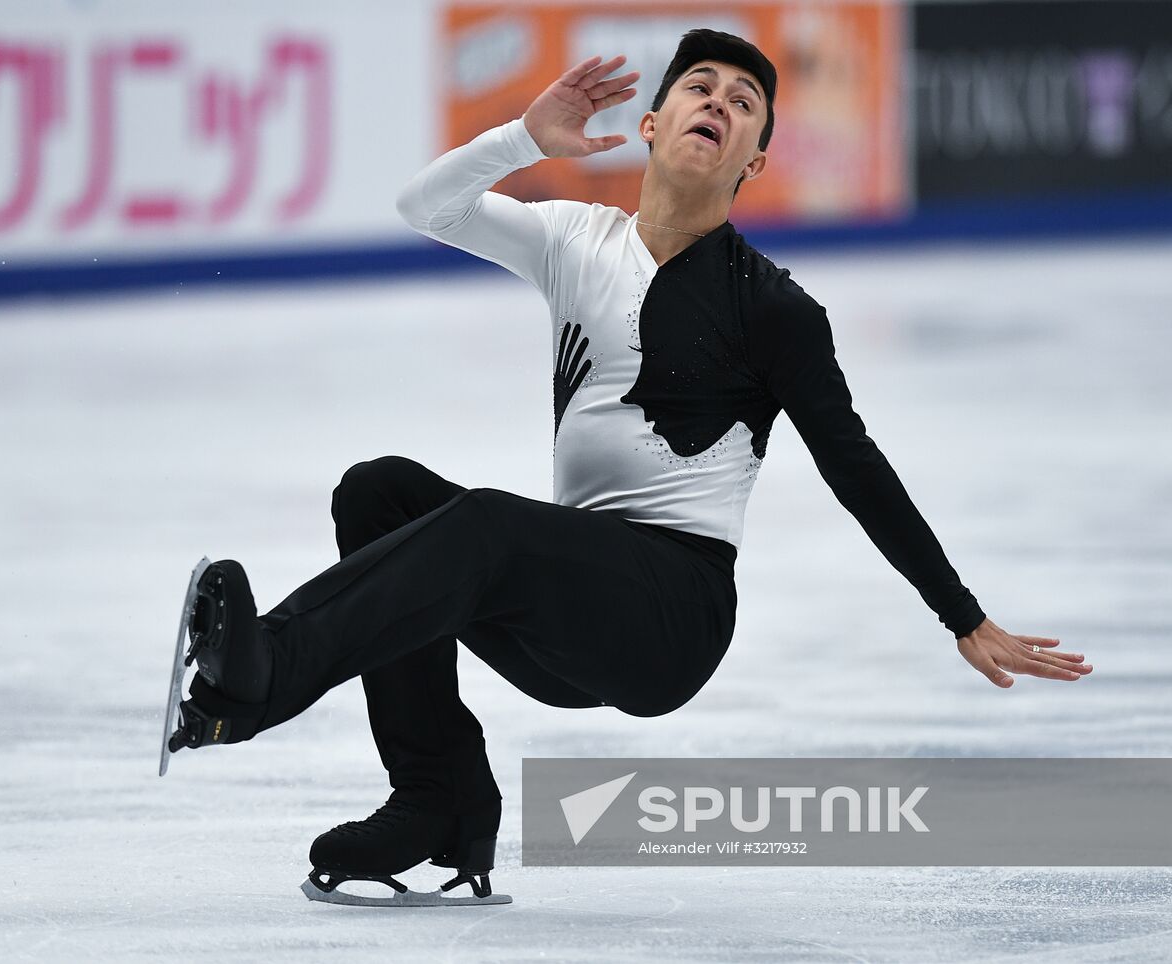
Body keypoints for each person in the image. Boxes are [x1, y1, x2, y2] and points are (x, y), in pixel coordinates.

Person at [166, 29, 1093, 902]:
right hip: (567, 617)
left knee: (487, 525)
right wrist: (524, 138)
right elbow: (425, 207)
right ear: (651, 126)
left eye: (743, 105)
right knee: (379, 493)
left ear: (752, 163)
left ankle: (258, 680)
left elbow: (855, 465)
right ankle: (439, 798)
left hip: (671, 615)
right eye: (701, 88)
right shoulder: (578, 240)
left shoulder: (774, 309)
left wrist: (960, 614)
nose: (719, 105)